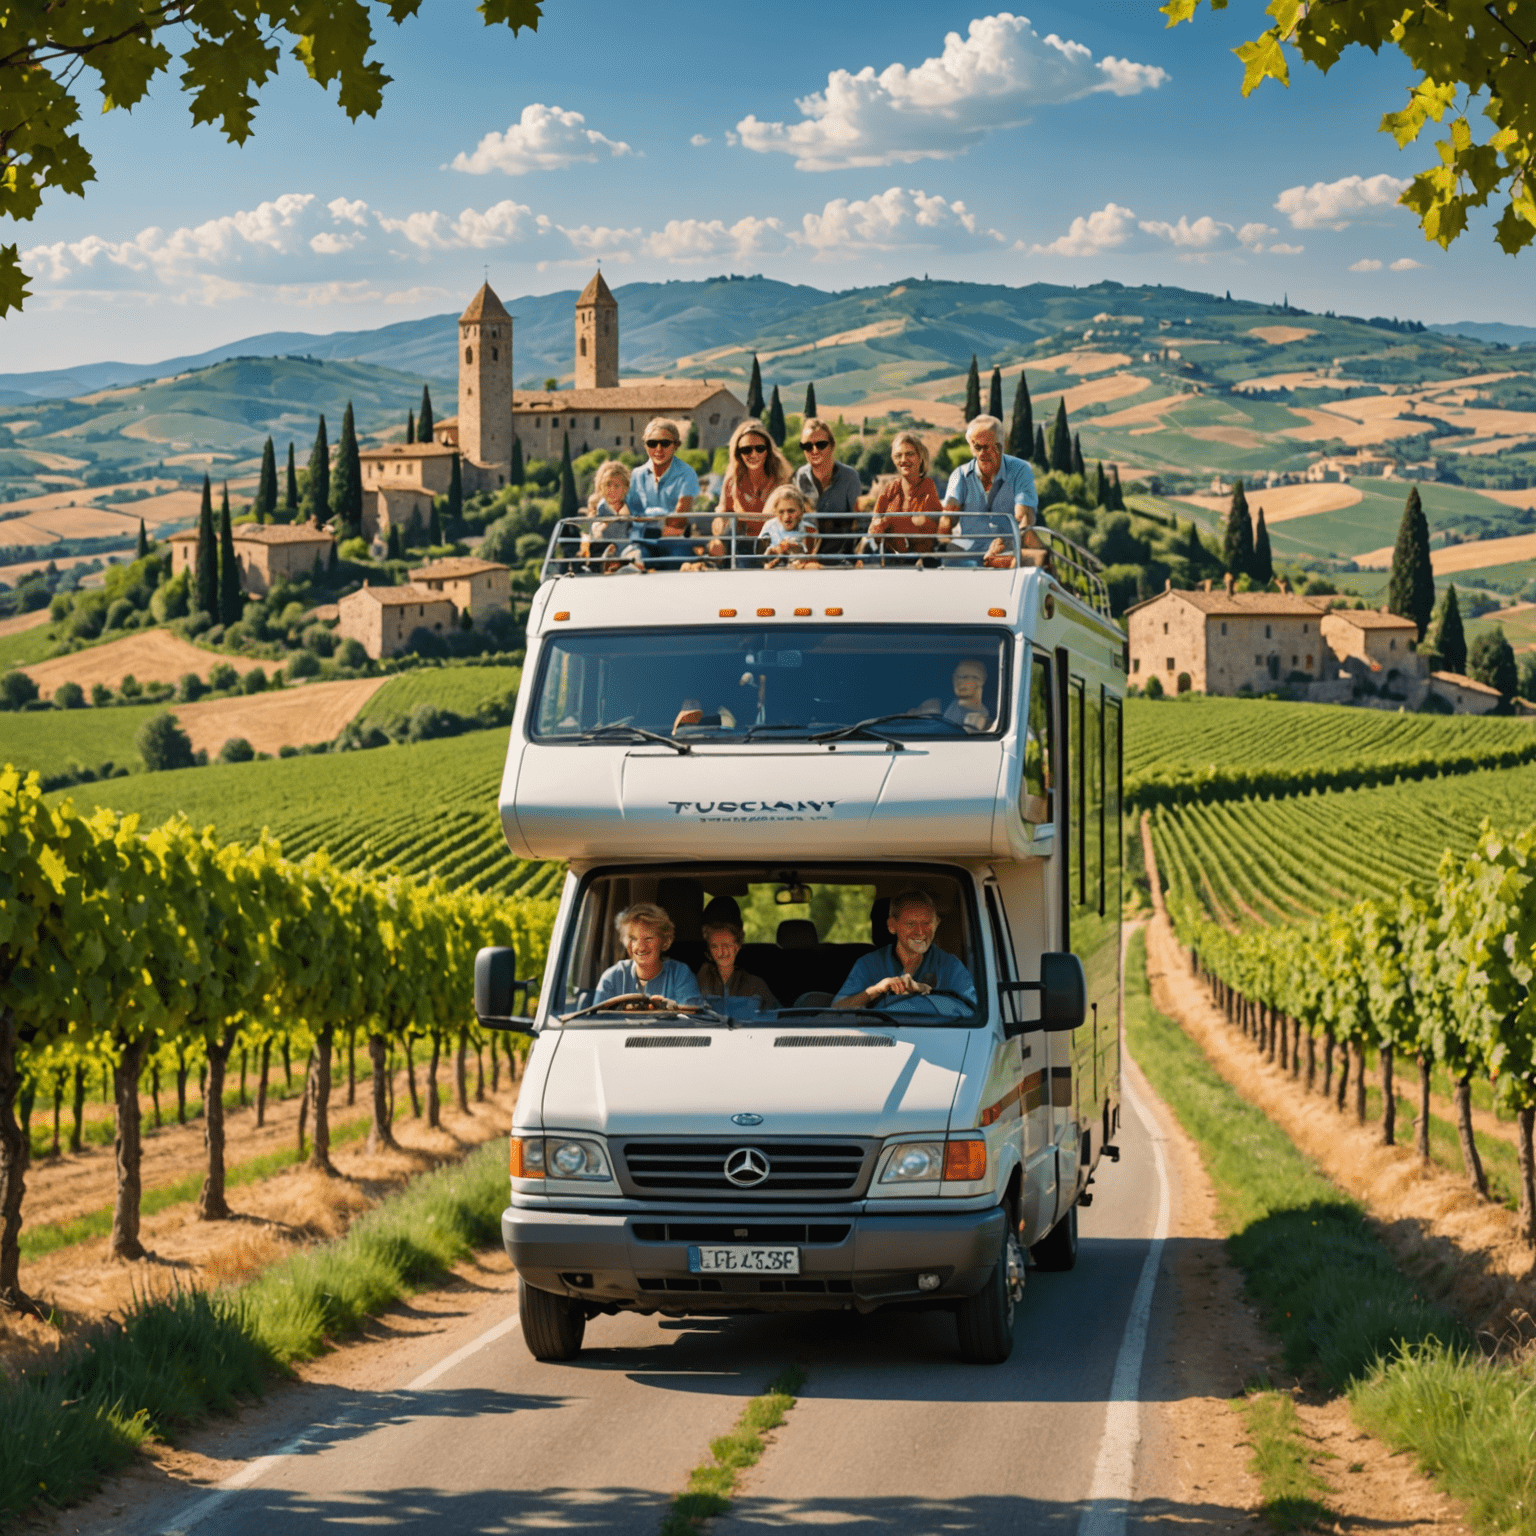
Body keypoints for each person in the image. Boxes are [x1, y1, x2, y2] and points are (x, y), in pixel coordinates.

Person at [834, 890, 977, 1017]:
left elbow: (971, 1011)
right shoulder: (868, 964)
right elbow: (837, 1009)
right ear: (892, 925)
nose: (920, 932)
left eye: (927, 923)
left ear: (936, 923)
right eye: (910, 924)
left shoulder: (949, 965)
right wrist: (876, 990)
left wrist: (922, 991)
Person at [938, 413, 1037, 567]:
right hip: (968, 548)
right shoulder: (959, 475)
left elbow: (1023, 516)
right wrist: (942, 539)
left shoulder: (1020, 470)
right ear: (971, 447)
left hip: (1006, 547)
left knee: (1027, 561)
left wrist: (1013, 538)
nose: (982, 453)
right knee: (949, 561)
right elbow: (948, 517)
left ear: (1000, 445)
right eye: (977, 447)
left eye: (987, 447)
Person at [593, 903, 706, 1007]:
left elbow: (696, 1018)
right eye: (633, 939)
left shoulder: (680, 974)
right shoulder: (612, 977)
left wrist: (671, 1009)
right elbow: (595, 1022)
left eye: (648, 938)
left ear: (665, 941)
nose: (640, 947)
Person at [716, 420, 792, 553]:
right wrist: (718, 525)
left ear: (768, 450)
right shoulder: (732, 483)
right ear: (738, 454)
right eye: (746, 450)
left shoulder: (783, 480)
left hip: (776, 544)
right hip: (742, 546)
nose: (754, 454)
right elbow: (723, 516)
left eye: (760, 448)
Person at [865, 432, 941, 563]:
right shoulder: (889, 488)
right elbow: (873, 526)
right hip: (889, 560)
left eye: (910, 454)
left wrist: (888, 523)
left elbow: (926, 526)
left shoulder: (928, 487)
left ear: (920, 457)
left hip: (920, 562)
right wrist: (878, 527)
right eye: (898, 455)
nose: (903, 460)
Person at [793, 417, 862, 559]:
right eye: (807, 446)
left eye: (821, 444)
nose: (814, 450)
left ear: (832, 445)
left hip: (841, 556)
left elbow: (857, 522)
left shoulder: (850, 477)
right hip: (807, 556)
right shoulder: (800, 476)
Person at [696, 919, 780, 1011]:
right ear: (709, 950)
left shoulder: (756, 984)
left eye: (726, 945)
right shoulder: (698, 981)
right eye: (714, 946)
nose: (721, 952)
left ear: (737, 946)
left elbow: (779, 1017)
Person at [627, 418, 699, 519]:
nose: (658, 449)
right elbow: (631, 511)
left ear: (676, 446)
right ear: (645, 446)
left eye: (665, 443)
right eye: (652, 443)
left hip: (673, 533)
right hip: (639, 532)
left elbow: (680, 518)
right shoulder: (637, 474)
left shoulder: (687, 473)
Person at [917, 658, 994, 733]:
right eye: (956, 677)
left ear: (980, 680)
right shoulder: (936, 706)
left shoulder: (997, 719)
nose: (959, 681)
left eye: (965, 677)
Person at [759, 485, 820, 567]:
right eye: (781, 512)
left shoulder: (811, 530)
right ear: (775, 512)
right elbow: (761, 558)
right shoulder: (769, 527)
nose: (786, 517)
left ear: (801, 511)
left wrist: (792, 548)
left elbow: (811, 559)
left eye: (791, 511)